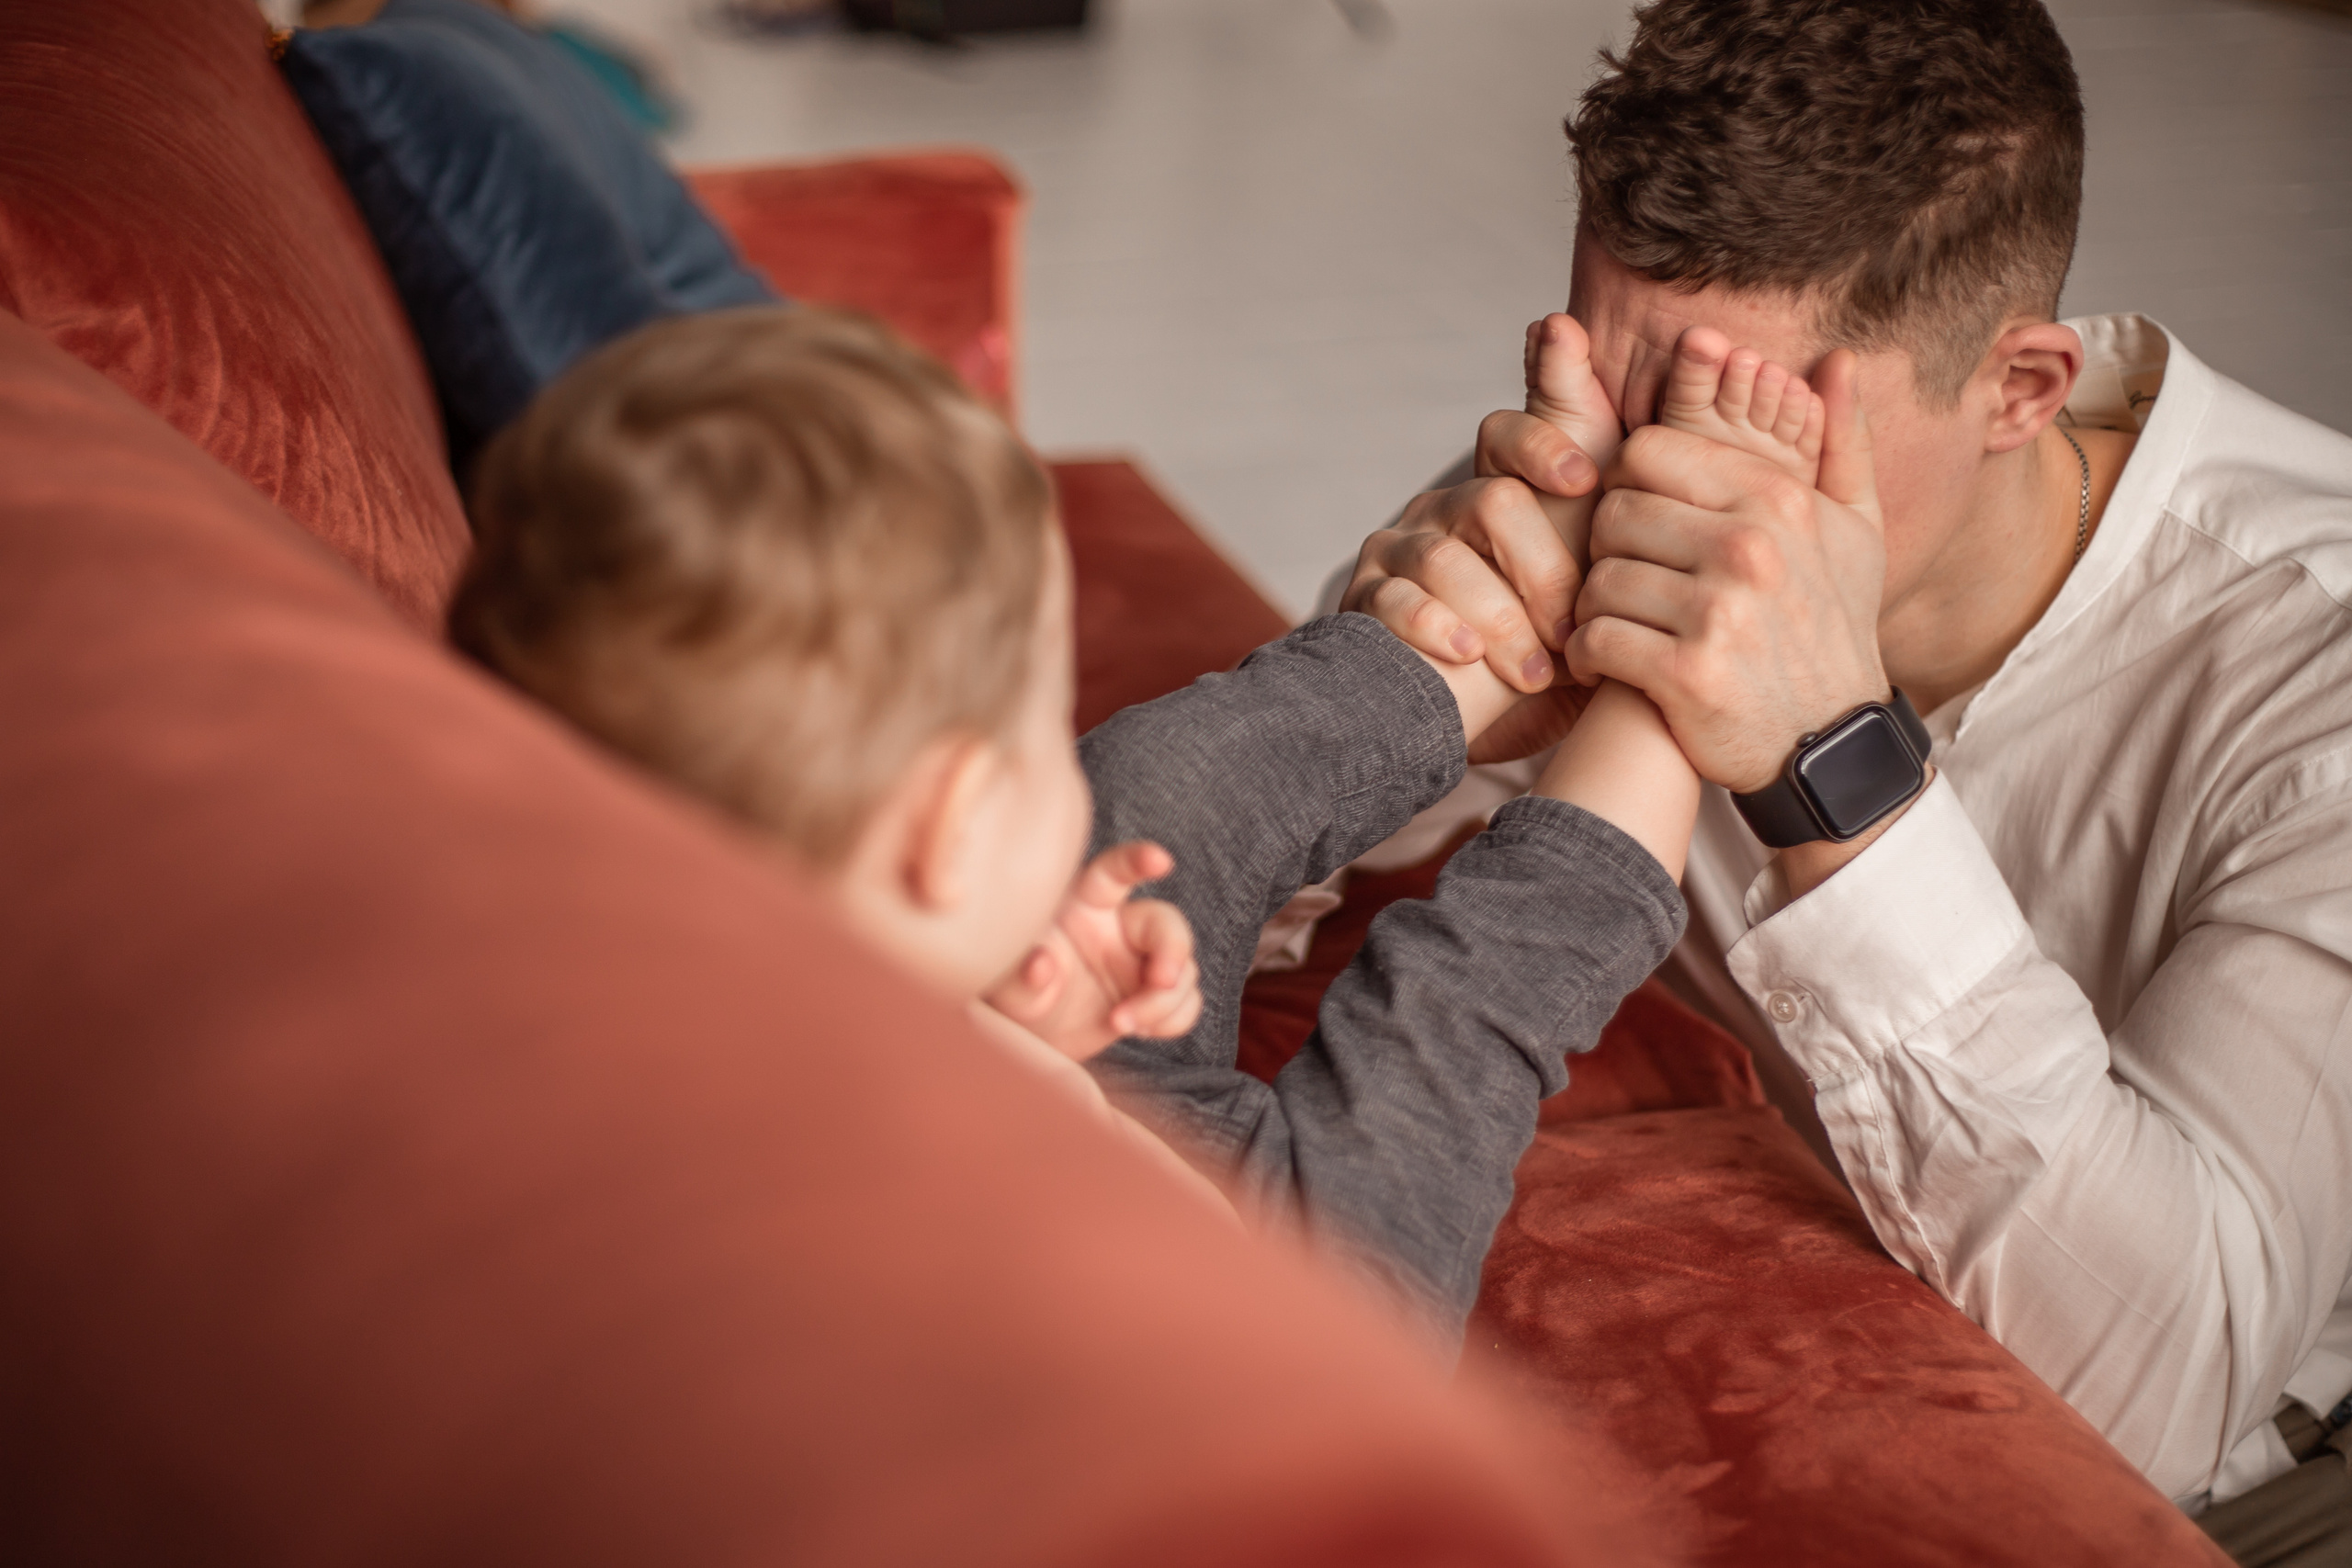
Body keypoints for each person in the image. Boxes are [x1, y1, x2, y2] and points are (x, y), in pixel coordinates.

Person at [1337, 0, 2352, 1547]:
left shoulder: (2320, 673)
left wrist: (1838, 771)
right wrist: (1372, 707)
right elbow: (1184, 925)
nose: (1644, 477)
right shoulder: (1617, 453)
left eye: (1746, 430)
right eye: (1611, 383)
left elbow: (2163, 1407)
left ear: (2022, 391)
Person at [444, 304, 1746, 1342]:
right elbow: (1266, 1307)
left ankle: (1516, 616)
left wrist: (1039, 1028)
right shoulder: (901, 1188)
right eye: (1033, 740)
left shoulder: (660, 975)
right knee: (1449, 1025)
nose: (1058, 760)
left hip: (1003, 1100)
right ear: (952, 832)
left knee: (1146, 805)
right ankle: (1675, 655)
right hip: (1263, 1338)